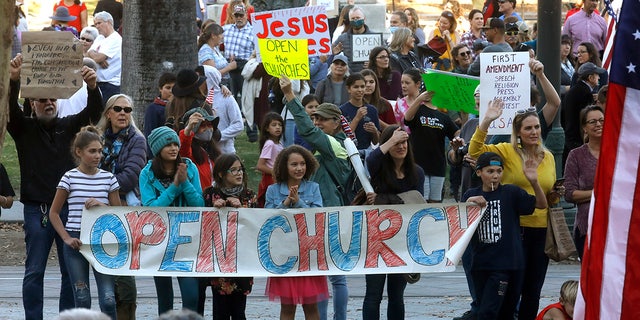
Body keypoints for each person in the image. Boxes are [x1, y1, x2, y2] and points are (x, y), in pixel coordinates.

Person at [9, 54, 104, 320]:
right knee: (35, 270)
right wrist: (13, 82)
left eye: (52, 98)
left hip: (67, 211)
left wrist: (93, 87)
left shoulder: (69, 126)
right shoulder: (23, 128)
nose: (48, 103)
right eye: (42, 99)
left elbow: (92, 114)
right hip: (36, 209)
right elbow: (8, 111)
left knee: (69, 271)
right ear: (32, 102)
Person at [468, 99, 561, 320]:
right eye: (528, 128)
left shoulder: (547, 156)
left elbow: (548, 196)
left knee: (533, 290)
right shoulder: (507, 151)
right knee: (512, 289)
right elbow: (475, 151)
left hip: (541, 230)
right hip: (514, 231)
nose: (534, 131)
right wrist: (487, 120)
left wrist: (556, 194)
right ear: (518, 132)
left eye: (537, 127)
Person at [281, 76, 351, 320]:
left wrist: (290, 96)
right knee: (323, 272)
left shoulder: (333, 143)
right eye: (316, 117)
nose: (317, 123)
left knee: (335, 276)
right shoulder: (330, 145)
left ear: (336, 123)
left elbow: (307, 130)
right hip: (321, 212)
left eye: (322, 119)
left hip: (328, 214)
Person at [463, 151, 547, 319]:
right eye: (490, 171)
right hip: (481, 264)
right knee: (484, 309)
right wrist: (468, 204)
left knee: (498, 312)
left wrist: (534, 182)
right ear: (479, 172)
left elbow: (541, 204)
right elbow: (460, 224)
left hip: (509, 264)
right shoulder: (471, 195)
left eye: (499, 171)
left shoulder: (511, 193)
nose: (495, 176)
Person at [49, 126, 121, 319]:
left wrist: (100, 204)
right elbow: (54, 213)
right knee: (82, 297)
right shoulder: (69, 177)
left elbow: (120, 214)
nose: (97, 155)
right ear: (79, 152)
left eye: (100, 151)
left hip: (103, 242)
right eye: (92, 151)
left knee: (108, 298)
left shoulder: (108, 178)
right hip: (76, 241)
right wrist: (66, 238)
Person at [362, 126, 425, 320]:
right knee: (374, 295)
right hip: (376, 240)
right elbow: (370, 160)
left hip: (401, 241)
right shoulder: (378, 167)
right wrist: (389, 140)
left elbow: (415, 201)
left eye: (404, 142)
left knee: (397, 295)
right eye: (396, 143)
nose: (401, 146)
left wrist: (383, 198)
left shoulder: (417, 172)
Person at [140, 126, 204, 315]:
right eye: (168, 144)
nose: (174, 147)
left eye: (175, 143)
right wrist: (175, 186)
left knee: (191, 296)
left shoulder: (189, 167)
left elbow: (199, 203)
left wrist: (184, 182)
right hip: (159, 241)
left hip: (186, 240)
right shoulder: (147, 173)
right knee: (165, 298)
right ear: (158, 148)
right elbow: (152, 209)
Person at [96, 94, 146, 319]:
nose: (124, 113)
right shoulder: (96, 138)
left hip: (125, 210)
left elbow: (129, 177)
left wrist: (97, 186)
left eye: (128, 110)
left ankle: (126, 314)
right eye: (118, 109)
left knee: (123, 268)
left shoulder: (137, 140)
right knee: (103, 268)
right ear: (109, 113)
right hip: (97, 210)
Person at [264, 145, 329, 320]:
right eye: (294, 164)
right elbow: (268, 219)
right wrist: (285, 203)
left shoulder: (313, 188)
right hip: (284, 255)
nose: (299, 168)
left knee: (311, 306)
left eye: (302, 164)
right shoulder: (273, 190)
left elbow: (317, 215)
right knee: (287, 308)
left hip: (308, 254)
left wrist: (299, 202)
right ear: (284, 166)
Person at [202, 154, 256, 319]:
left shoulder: (248, 195)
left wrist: (244, 210)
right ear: (221, 174)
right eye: (233, 170)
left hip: (241, 259)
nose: (239, 173)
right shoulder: (210, 195)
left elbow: (256, 224)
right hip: (219, 260)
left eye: (240, 169)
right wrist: (213, 208)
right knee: (220, 311)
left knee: (239, 311)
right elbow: (202, 225)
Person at [402, 69, 459, 202]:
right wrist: (420, 99)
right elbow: (407, 119)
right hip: (419, 164)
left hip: (438, 165)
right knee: (422, 201)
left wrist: (463, 113)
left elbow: (456, 133)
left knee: (435, 201)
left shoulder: (443, 117)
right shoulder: (418, 110)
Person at [564, 106, 603, 260]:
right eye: (592, 122)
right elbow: (569, 193)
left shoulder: (618, 152)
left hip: (617, 228)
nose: (598, 124)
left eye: (601, 120)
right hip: (587, 227)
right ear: (584, 128)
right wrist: (599, 193)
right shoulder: (576, 155)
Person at [561, 62, 606, 165]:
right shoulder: (585, 93)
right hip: (577, 142)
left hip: (569, 141)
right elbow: (584, 119)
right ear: (590, 78)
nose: (599, 77)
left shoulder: (574, 91)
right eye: (596, 75)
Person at [204, 65, 244, 154]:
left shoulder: (226, 97)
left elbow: (238, 124)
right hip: (204, 152)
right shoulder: (198, 98)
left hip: (225, 151)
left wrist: (219, 136)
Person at [179, 107, 221, 190]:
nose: (208, 129)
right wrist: (188, 130)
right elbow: (183, 148)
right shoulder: (189, 153)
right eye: (202, 125)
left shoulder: (212, 151)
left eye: (209, 124)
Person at [87, 11, 122, 105]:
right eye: (95, 24)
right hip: (98, 83)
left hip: (110, 85)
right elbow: (87, 54)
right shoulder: (100, 38)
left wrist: (98, 58)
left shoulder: (116, 39)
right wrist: (99, 60)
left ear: (109, 22)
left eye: (99, 23)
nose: (97, 26)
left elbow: (97, 58)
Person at [223, 3, 255, 104]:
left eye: (241, 15)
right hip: (229, 68)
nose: (239, 18)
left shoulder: (253, 31)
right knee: (228, 98)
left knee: (246, 99)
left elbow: (257, 52)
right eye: (236, 15)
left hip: (244, 68)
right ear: (233, 16)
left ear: (246, 15)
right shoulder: (226, 29)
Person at [340, 73, 381, 151]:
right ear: (348, 89)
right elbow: (344, 138)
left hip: (367, 151)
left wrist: (374, 131)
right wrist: (357, 118)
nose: (360, 90)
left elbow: (376, 142)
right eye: (356, 87)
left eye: (362, 87)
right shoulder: (342, 110)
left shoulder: (372, 110)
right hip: (349, 151)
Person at [333, 6, 375, 73]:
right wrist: (334, 53)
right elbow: (332, 53)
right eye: (353, 18)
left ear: (364, 18)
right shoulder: (343, 38)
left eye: (358, 18)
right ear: (349, 20)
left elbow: (385, 55)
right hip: (350, 77)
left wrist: (373, 63)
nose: (355, 20)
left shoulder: (374, 37)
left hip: (370, 75)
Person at [144, 72, 177, 157]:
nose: (171, 91)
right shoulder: (154, 108)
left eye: (174, 88)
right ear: (160, 89)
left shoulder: (179, 107)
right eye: (168, 87)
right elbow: (150, 134)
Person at [256, 112, 285, 207]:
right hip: (270, 179)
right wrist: (275, 172)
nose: (278, 127)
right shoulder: (270, 144)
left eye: (280, 125)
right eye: (274, 125)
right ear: (267, 128)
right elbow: (260, 165)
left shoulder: (279, 144)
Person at [198, 23, 237, 87]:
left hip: (224, 85)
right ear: (213, 35)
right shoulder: (206, 50)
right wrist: (229, 67)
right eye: (221, 34)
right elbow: (212, 75)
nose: (222, 37)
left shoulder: (215, 48)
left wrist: (229, 63)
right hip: (216, 88)